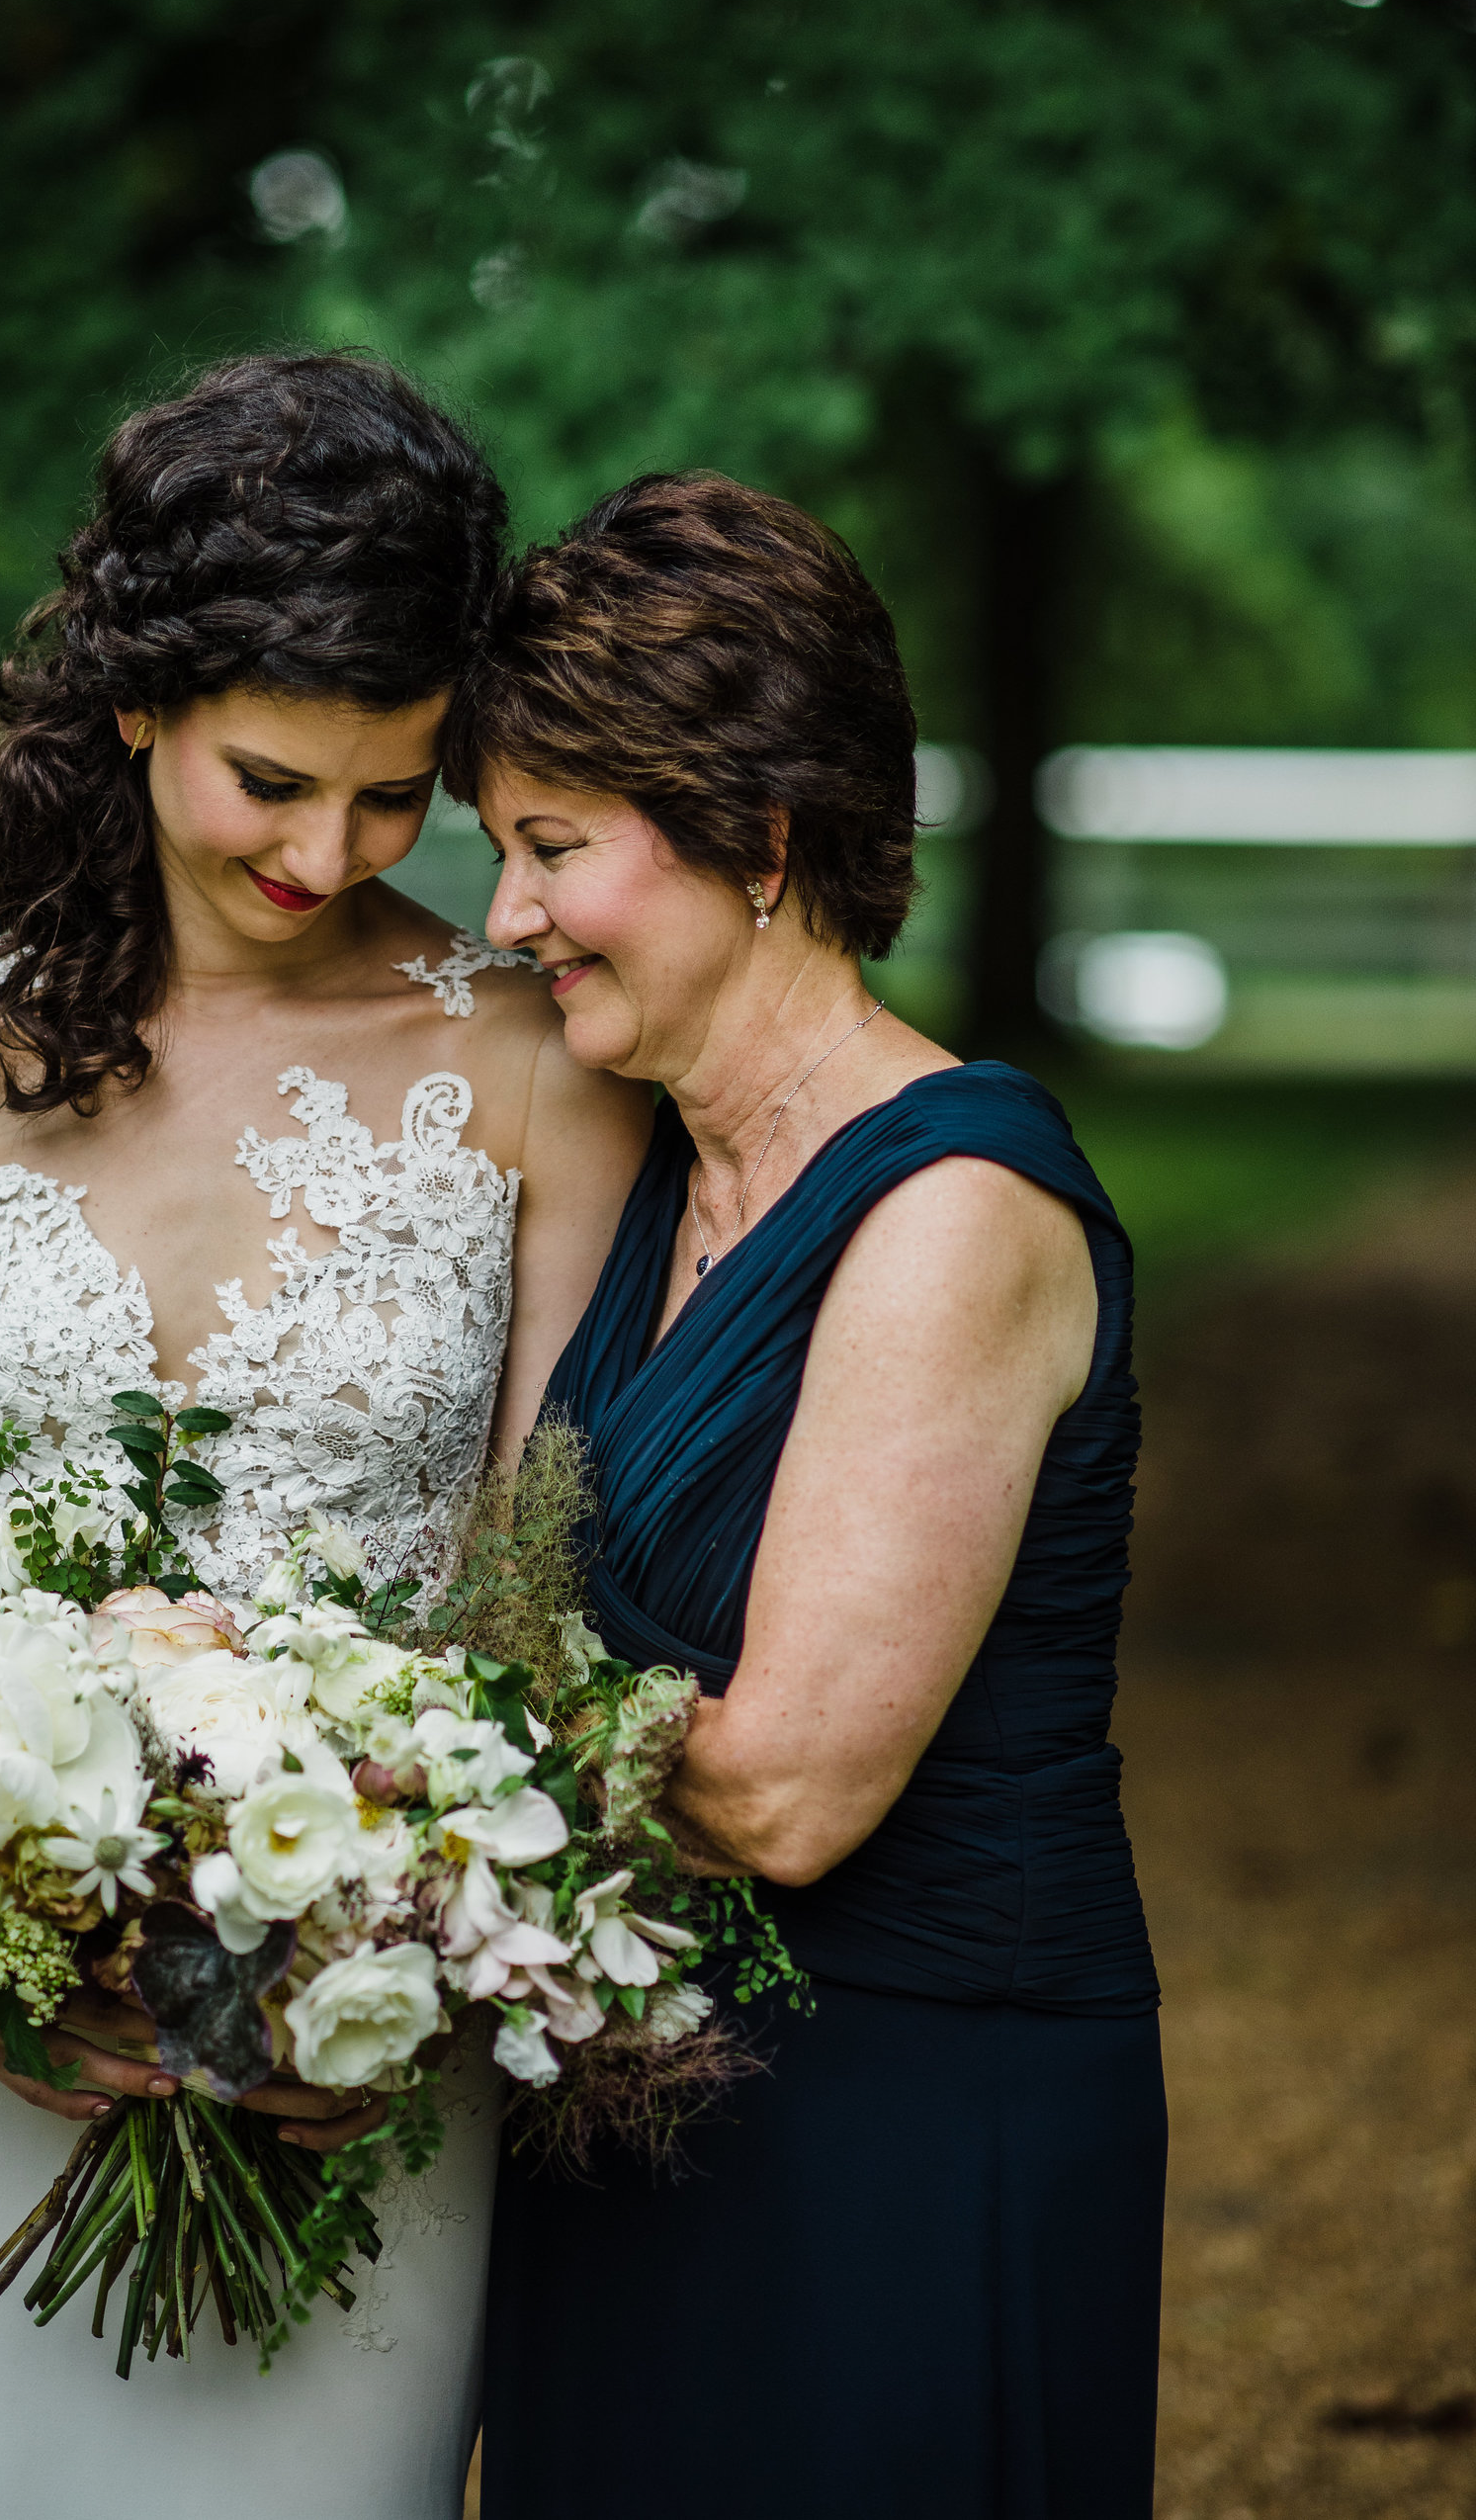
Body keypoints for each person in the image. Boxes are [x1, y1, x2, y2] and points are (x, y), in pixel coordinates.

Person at [0, 354, 651, 2520]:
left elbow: (539, 1568)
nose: (331, 853)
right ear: (133, 700)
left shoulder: (533, 1068)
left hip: (351, 2039)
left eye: (398, 796)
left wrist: (377, 1916)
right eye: (275, 779)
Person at [448, 472, 1167, 2520]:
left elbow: (782, 1790)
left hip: (907, 2120)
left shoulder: (953, 1205)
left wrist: (415, 1735)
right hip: (635, 2102)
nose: (508, 915)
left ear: (755, 838)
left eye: (553, 849)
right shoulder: (656, 1167)